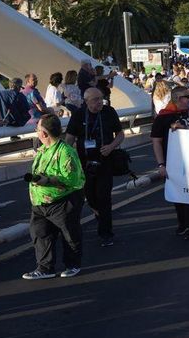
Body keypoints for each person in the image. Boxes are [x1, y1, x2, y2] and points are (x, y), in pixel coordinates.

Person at [22, 114, 86, 280]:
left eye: (37, 129)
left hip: (62, 202)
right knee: (40, 234)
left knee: (69, 234)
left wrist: (47, 180)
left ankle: (72, 265)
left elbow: (72, 179)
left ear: (44, 133)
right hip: (40, 203)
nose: (36, 132)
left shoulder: (66, 152)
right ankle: (45, 268)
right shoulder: (42, 150)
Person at [65, 87, 124, 247]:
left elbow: (120, 134)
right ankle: (100, 215)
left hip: (105, 161)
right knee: (90, 198)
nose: (100, 102)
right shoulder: (78, 115)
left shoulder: (109, 112)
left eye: (101, 99)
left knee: (104, 197)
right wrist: (64, 158)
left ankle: (106, 233)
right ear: (86, 102)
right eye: (95, 100)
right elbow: (69, 138)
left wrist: (111, 146)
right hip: (84, 163)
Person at [151, 86, 189, 240]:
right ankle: (182, 223)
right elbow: (156, 141)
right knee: (177, 194)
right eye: (186, 96)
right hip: (172, 163)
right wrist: (161, 164)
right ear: (177, 98)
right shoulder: (163, 117)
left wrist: (186, 128)